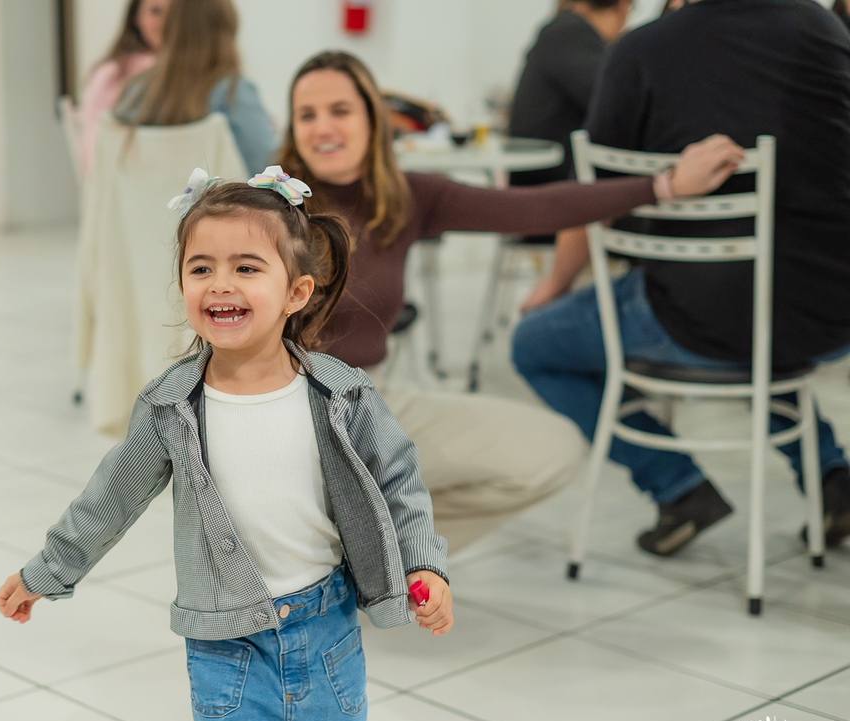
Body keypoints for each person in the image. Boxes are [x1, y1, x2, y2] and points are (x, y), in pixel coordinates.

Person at [0, 168, 452, 721]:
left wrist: (426, 565)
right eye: (201, 268)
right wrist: (45, 572)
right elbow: (110, 499)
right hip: (224, 646)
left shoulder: (340, 392)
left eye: (245, 267)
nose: (220, 285)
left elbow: (400, 479)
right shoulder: (171, 407)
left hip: (327, 632)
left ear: (296, 292)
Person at [274, 50, 742, 554]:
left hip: (373, 403)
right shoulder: (273, 206)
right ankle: (344, 549)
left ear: (374, 119)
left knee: (551, 451)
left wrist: (663, 186)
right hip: (291, 416)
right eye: (308, 114)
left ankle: (379, 558)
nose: (323, 127)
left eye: (340, 110)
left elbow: (534, 208)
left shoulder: (408, 197)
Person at [512, 0, 850, 555]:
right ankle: (833, 479)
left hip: (705, 319)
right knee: (754, 331)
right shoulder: (825, 27)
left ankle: (679, 488)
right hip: (831, 312)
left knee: (533, 344)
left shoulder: (642, 49)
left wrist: (553, 286)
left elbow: (594, 196)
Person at [113, 0, 277, 174]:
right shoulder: (233, 94)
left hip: (141, 201)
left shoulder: (133, 91)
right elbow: (268, 172)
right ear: (227, 28)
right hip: (214, 201)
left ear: (170, 26)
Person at [508, 0, 634, 187]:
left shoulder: (562, 31)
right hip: (551, 184)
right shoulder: (570, 34)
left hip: (546, 178)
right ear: (623, 6)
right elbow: (615, 102)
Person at [77, 0, 169, 173]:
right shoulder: (113, 73)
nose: (165, 21)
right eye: (155, 12)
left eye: (174, 13)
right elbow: (94, 148)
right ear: (136, 17)